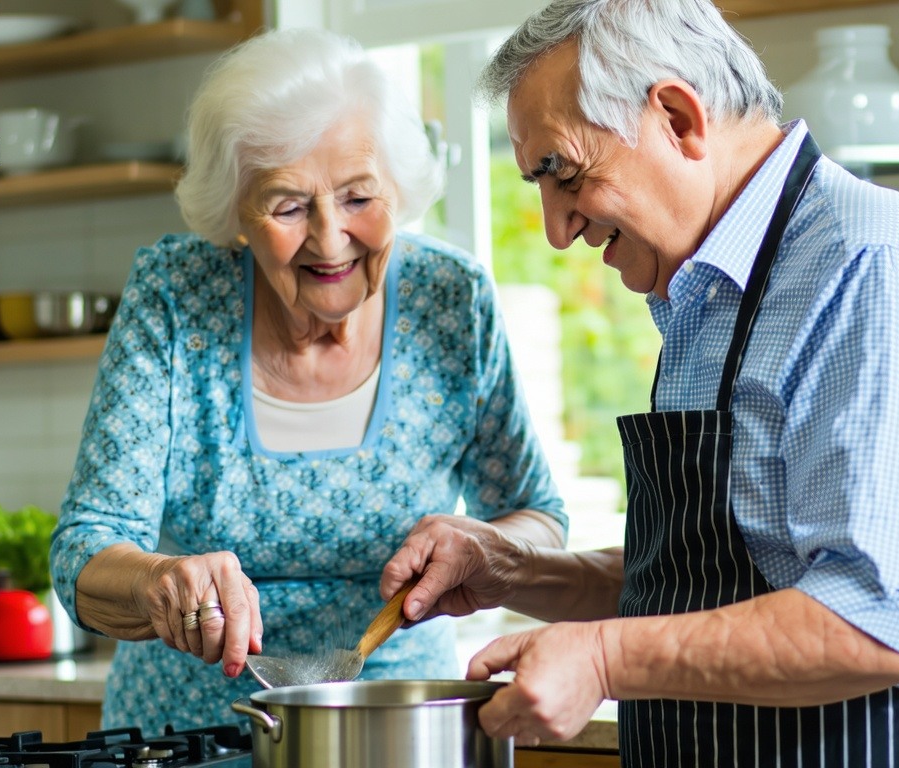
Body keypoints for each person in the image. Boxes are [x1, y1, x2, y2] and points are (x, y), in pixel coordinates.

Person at [380, 1, 899, 765]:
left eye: (561, 172)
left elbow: (877, 617)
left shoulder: (872, 268)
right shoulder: (706, 296)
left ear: (676, 117)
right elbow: (707, 584)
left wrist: (602, 658)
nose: (555, 228)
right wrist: (518, 570)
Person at [49, 26, 566, 734]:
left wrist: (478, 543)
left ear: (399, 188)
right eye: (288, 206)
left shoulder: (450, 301)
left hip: (394, 731)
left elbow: (539, 517)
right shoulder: (175, 294)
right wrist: (155, 580)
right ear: (236, 214)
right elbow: (85, 547)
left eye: (358, 198)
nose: (329, 239)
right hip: (184, 735)